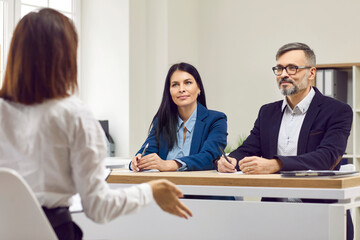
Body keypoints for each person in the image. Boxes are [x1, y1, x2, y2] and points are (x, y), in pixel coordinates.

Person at [0, 8, 192, 240]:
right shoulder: (74, 115)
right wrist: (150, 190)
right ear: (65, 56)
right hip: (52, 231)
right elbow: (99, 208)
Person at [216, 42, 353, 239]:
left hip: (322, 214)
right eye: (279, 68)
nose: (283, 74)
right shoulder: (267, 112)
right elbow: (249, 148)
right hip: (274, 215)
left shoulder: (337, 111)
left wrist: (276, 164)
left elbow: (327, 157)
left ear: (311, 73)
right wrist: (232, 160)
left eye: (292, 68)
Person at [130, 62, 227, 172]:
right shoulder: (162, 121)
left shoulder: (216, 120)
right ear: (169, 91)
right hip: (164, 186)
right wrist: (138, 162)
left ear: (199, 88)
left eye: (188, 83)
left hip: (197, 186)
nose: (181, 89)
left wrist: (170, 164)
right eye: (175, 84)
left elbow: (209, 157)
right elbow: (146, 152)